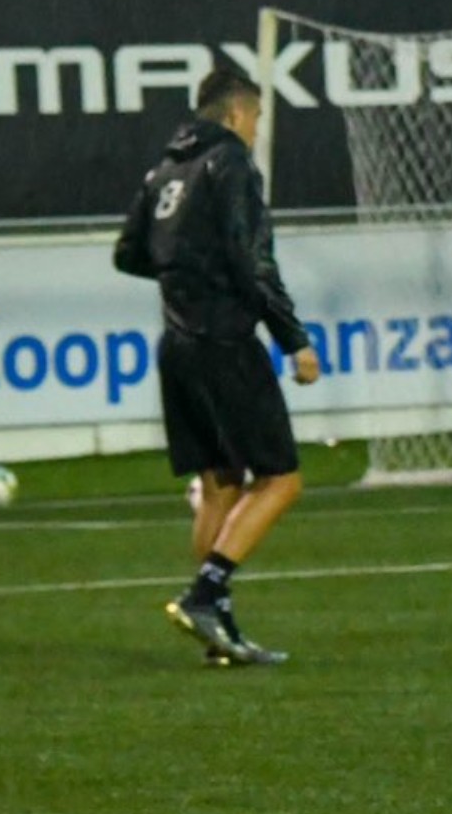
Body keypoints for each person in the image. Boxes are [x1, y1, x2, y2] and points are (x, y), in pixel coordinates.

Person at [116, 60, 322, 667]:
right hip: (224, 342)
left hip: (175, 345)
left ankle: (216, 632)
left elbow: (130, 253)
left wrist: (185, 269)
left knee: (219, 486)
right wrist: (294, 340)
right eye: (256, 116)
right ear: (236, 113)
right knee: (281, 480)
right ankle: (206, 594)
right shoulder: (231, 162)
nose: (257, 128)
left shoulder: (166, 166)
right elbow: (253, 259)